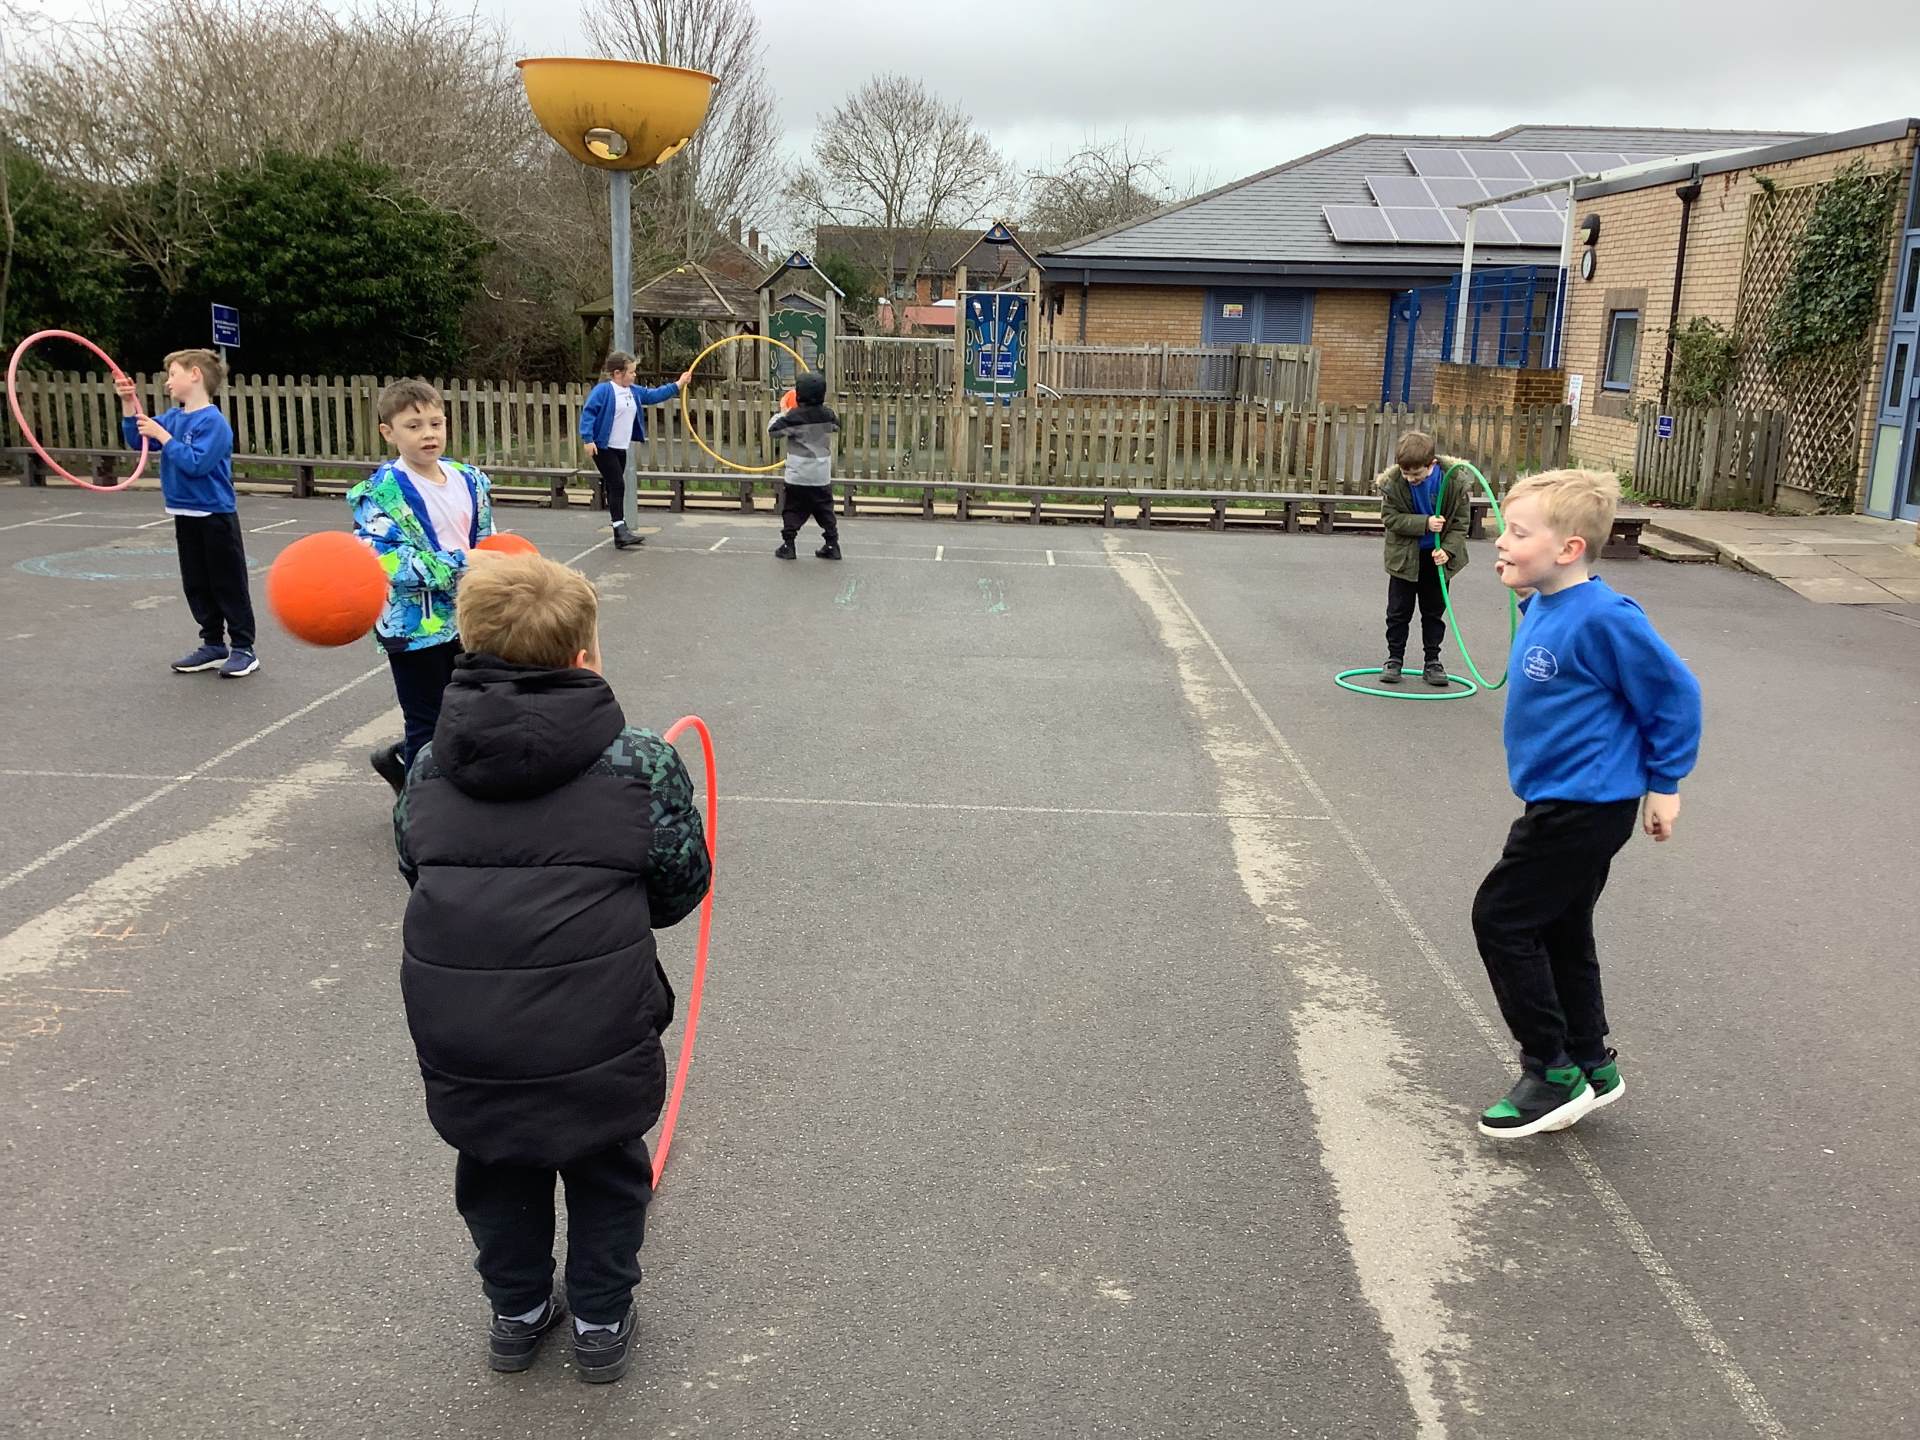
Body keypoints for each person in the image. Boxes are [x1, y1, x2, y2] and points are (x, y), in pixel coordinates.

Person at [392, 552, 711, 1383]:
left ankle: (518, 1310)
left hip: (466, 1026)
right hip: (595, 1019)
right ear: (583, 654)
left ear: (466, 643)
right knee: (607, 1166)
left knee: (494, 1164)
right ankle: (600, 1319)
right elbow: (680, 885)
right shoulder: (640, 762)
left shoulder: (428, 766)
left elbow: (415, 865)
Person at [1472, 469, 1702, 1139]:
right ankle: (1591, 1061)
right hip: (1561, 798)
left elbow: (1674, 695)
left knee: (1503, 919)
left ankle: (1551, 1071)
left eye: (1518, 533)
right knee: (1561, 926)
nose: (1500, 541)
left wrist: (1665, 783)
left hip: (1584, 805)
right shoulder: (1544, 603)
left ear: (1569, 549)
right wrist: (1523, 581)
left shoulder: (1606, 617)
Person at [349, 379, 497, 794]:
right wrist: (461, 562)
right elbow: (386, 560)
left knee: (474, 708)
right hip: (414, 628)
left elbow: (486, 541)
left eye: (436, 423)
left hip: (469, 617)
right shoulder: (380, 493)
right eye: (413, 426)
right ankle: (419, 810)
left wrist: (499, 575)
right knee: (426, 721)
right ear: (388, 432)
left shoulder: (470, 480)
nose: (428, 434)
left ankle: (403, 761)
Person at [115, 350, 259, 677]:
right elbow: (137, 440)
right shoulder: (173, 417)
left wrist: (164, 437)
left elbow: (196, 464)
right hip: (184, 513)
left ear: (195, 375)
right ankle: (213, 644)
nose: (167, 382)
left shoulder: (214, 423)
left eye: (173, 374)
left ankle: (243, 648)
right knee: (197, 582)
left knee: (228, 582)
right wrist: (127, 404)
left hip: (215, 515)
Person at [1376, 430, 1470, 686]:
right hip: (1405, 557)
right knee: (1398, 612)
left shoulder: (1454, 482)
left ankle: (1433, 662)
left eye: (1416, 474)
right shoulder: (1393, 483)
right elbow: (1390, 518)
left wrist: (1448, 549)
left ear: (1432, 465)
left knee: (1433, 612)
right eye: (1406, 473)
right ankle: (1394, 659)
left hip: (1437, 559)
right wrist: (1424, 523)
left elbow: (1461, 523)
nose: (1411, 479)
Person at [580, 353, 691, 550]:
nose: (634, 375)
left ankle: (619, 530)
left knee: (614, 485)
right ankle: (620, 530)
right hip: (603, 447)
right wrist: (588, 439)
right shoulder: (604, 391)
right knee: (617, 484)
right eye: (631, 372)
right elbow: (588, 413)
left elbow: (654, 395)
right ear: (617, 373)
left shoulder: (633, 391)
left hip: (620, 447)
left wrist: (679, 384)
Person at [769, 370, 841, 560]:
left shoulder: (794, 417)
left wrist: (783, 411)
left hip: (798, 475)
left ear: (799, 394)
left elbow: (773, 431)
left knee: (792, 509)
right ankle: (832, 544)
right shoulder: (827, 415)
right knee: (825, 510)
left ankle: (789, 545)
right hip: (821, 475)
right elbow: (836, 425)